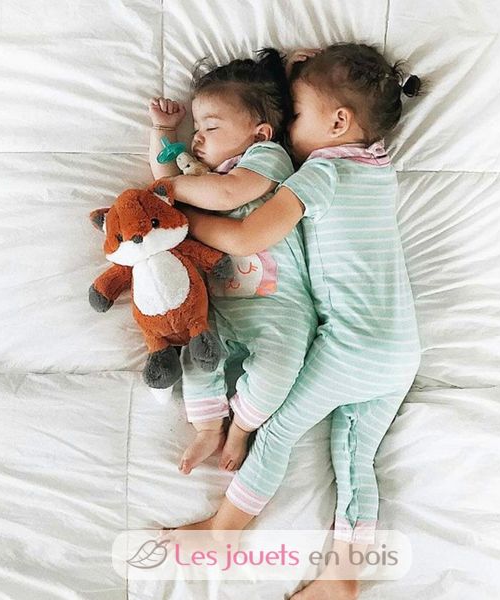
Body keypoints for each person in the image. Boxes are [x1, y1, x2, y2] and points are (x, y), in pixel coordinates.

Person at [170, 43, 424, 599]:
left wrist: (182, 219)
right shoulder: (378, 165)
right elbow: (323, 113)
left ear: (338, 122)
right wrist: (295, 75)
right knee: (354, 457)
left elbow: (247, 236)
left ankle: (224, 532)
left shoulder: (322, 172)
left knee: (279, 429)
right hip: (400, 352)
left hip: (353, 347)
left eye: (298, 114)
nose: (289, 128)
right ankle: (341, 577)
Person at [147, 48, 316, 475]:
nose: (197, 138)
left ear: (260, 133)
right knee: (198, 358)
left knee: (278, 369)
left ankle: (241, 426)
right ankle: (208, 427)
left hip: (280, 305)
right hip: (218, 306)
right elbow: (164, 182)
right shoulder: (198, 177)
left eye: (210, 126)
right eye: (196, 128)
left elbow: (227, 194)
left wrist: (174, 191)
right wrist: (163, 132)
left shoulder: (265, 158)